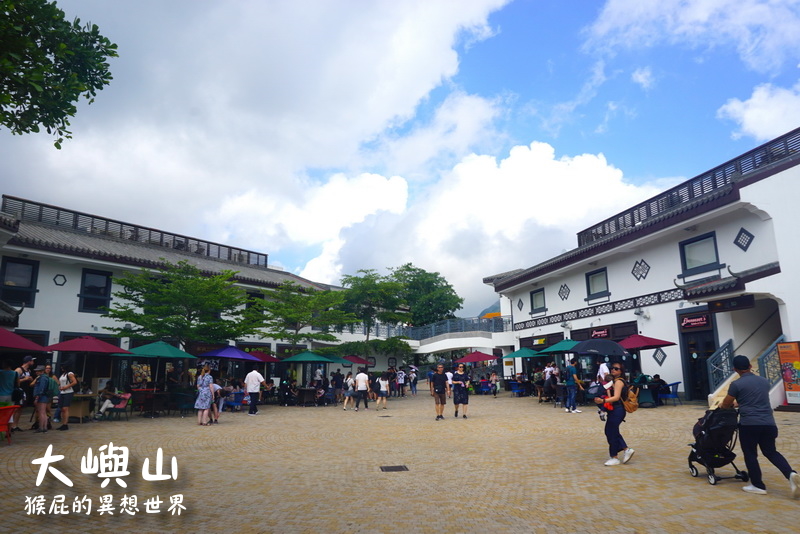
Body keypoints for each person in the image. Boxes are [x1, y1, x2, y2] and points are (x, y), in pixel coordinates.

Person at [720, 355, 799, 497]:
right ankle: (791, 474)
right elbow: (755, 398)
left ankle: (758, 485)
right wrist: (741, 402)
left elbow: (726, 404)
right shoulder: (764, 381)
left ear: (734, 369)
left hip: (749, 424)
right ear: (750, 366)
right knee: (771, 452)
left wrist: (724, 405)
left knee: (750, 453)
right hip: (769, 423)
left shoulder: (736, 384)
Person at [594, 362, 634, 466]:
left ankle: (614, 456)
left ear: (621, 371)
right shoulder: (613, 381)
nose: (613, 370)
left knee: (610, 431)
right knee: (612, 431)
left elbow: (616, 397)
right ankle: (625, 449)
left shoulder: (619, 382)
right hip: (615, 410)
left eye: (616, 369)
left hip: (618, 409)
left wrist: (603, 402)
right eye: (612, 368)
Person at [56, 363, 77, 431]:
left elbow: (74, 382)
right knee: (62, 408)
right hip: (62, 392)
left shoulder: (70, 373)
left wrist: (66, 387)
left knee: (65, 408)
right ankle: (63, 423)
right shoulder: (63, 374)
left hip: (68, 392)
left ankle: (65, 424)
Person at [32, 365, 51, 433]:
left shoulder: (42, 378)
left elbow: (41, 389)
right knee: (44, 412)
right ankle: (45, 427)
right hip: (44, 396)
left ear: (42, 371)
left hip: (41, 396)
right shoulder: (46, 377)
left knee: (41, 412)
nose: (37, 372)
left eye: (38, 371)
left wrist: (37, 397)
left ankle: (41, 427)